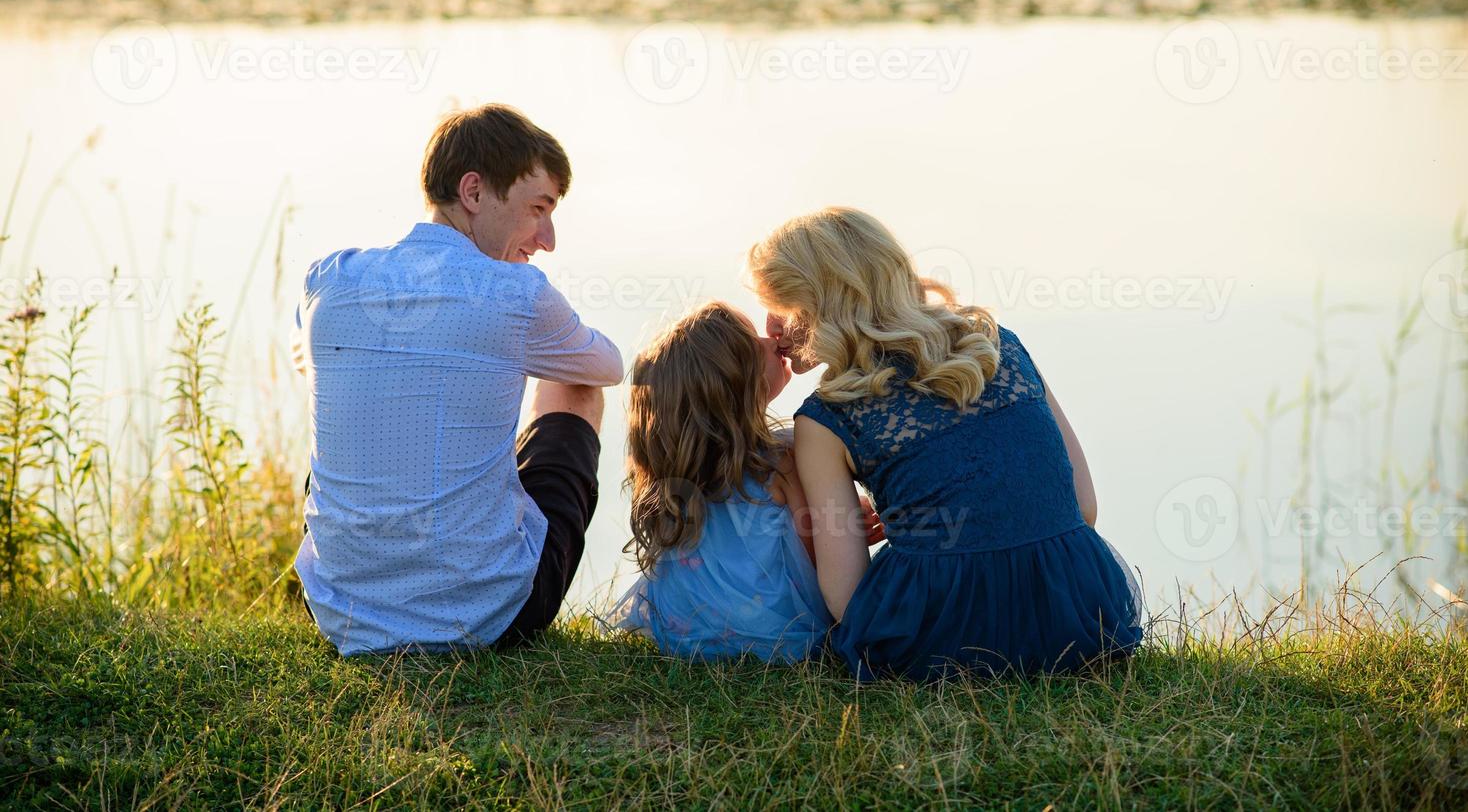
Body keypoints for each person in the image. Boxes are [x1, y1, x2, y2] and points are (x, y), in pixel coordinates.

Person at [748, 207, 1145, 682]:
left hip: (938, 642)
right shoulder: (997, 344)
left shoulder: (825, 417)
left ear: (821, 306)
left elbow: (846, 596)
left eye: (782, 304)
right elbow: (1084, 508)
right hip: (1081, 617)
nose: (770, 326)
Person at [292, 103, 623, 656]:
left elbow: (308, 365)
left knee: (360, 399)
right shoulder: (519, 294)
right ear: (473, 192)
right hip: (488, 616)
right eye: (537, 209)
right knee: (575, 383)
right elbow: (606, 366)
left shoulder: (328, 278)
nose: (547, 238)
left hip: (338, 611)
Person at [605, 302, 875, 662]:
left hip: (683, 632)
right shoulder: (783, 460)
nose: (771, 342)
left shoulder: (675, 472)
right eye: (753, 344)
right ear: (733, 384)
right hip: (780, 639)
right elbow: (818, 554)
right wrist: (848, 530)